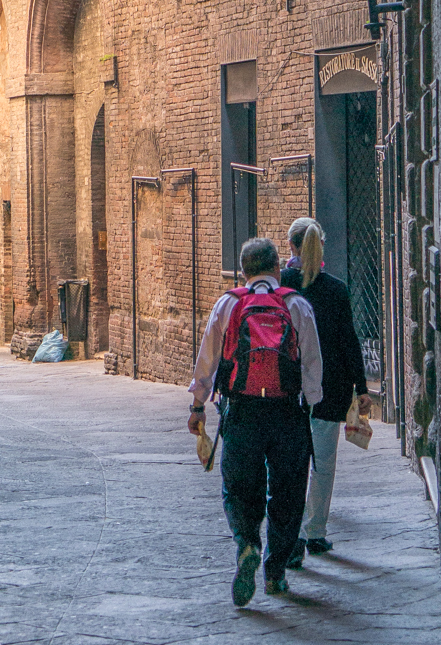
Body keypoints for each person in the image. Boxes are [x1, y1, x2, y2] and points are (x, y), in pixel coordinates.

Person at [188, 237, 323, 605]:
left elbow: (208, 359)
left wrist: (198, 406)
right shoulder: (296, 305)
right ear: (278, 267)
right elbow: (312, 363)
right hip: (286, 411)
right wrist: (311, 405)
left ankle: (247, 543)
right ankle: (275, 570)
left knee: (238, 487)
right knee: (289, 491)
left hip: (242, 409)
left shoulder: (229, 304)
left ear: (243, 270)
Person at [281, 217, 372, 567]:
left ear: (290, 246)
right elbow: (349, 342)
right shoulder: (336, 288)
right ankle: (314, 532)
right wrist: (362, 388)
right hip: (331, 389)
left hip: (288, 389)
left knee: (290, 466)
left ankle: (291, 538)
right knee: (323, 464)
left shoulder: (281, 285)